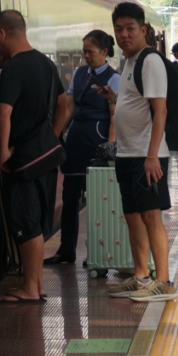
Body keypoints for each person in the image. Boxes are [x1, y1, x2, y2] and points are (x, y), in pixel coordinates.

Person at [102, 2, 177, 302]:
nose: (124, 34)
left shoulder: (150, 60)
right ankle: (141, 276)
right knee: (133, 217)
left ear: (143, 30)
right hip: (128, 154)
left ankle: (164, 282)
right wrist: (115, 98)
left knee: (150, 216)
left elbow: (161, 111)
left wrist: (152, 155)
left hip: (147, 155)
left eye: (130, 28)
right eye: (118, 29)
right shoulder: (130, 61)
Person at [0, 10, 64, 303]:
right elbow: (64, 103)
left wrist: (2, 152)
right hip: (44, 157)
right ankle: (37, 284)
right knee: (36, 220)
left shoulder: (14, 68)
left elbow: (2, 113)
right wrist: (50, 137)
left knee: (26, 220)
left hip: (22, 159)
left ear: (2, 34)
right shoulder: (46, 63)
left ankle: (30, 289)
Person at [47, 30, 118, 265]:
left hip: (98, 140)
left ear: (104, 51)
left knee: (97, 199)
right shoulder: (79, 74)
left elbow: (114, 116)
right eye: (84, 51)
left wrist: (110, 145)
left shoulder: (113, 78)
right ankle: (66, 250)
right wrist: (56, 135)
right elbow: (69, 108)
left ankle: (97, 252)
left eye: (90, 52)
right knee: (70, 197)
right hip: (77, 139)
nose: (86, 56)